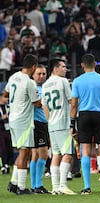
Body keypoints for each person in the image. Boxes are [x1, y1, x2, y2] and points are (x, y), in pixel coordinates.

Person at [70, 54, 100, 194]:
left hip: (84, 115)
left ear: (82, 65)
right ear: (95, 64)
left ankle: (87, 187)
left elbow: (74, 105)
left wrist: (72, 124)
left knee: (85, 152)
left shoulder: (77, 81)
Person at [5, 54, 40, 195]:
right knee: (24, 152)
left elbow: (5, 93)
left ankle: (14, 183)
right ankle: (21, 187)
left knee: (22, 151)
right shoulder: (29, 82)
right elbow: (36, 103)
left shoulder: (13, 77)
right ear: (33, 67)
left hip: (13, 117)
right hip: (23, 120)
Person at [41, 59, 76, 195]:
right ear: (55, 69)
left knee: (56, 154)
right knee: (67, 154)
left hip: (52, 124)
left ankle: (55, 187)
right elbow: (71, 101)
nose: (65, 69)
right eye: (63, 66)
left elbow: (44, 106)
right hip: (63, 122)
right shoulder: (63, 82)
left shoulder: (45, 85)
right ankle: (63, 185)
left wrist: (50, 120)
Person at [30, 64, 50, 194]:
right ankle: (38, 184)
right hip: (37, 123)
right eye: (39, 74)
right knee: (43, 154)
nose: (41, 76)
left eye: (43, 74)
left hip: (43, 123)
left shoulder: (45, 87)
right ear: (33, 74)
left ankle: (35, 185)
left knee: (36, 155)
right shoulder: (33, 88)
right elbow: (37, 104)